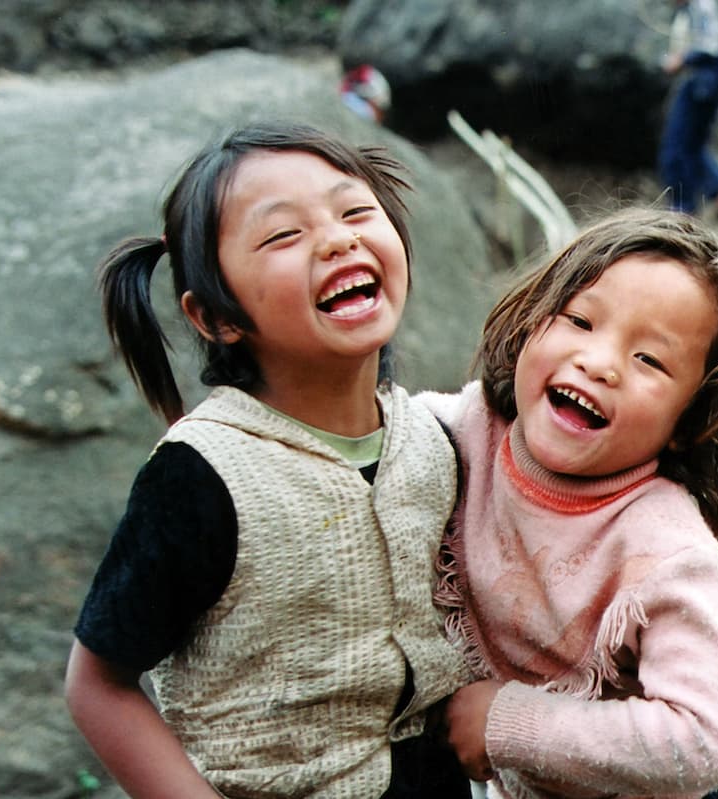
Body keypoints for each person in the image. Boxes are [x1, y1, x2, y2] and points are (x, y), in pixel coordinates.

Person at [63, 121, 473, 798]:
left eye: (354, 211)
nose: (338, 239)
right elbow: (98, 682)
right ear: (216, 318)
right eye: (284, 235)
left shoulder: (432, 438)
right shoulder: (202, 474)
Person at [420, 207, 718, 798]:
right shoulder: (469, 429)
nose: (600, 363)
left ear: (688, 423)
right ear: (533, 323)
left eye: (650, 361)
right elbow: (370, 434)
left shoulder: (663, 547)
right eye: (581, 321)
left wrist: (505, 722)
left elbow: (713, 738)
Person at [657, 0, 718, 218]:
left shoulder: (702, 6)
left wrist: (682, 59)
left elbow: (712, 45)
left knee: (676, 146)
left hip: (703, 84)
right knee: (691, 145)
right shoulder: (690, 10)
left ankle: (684, 208)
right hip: (701, 83)